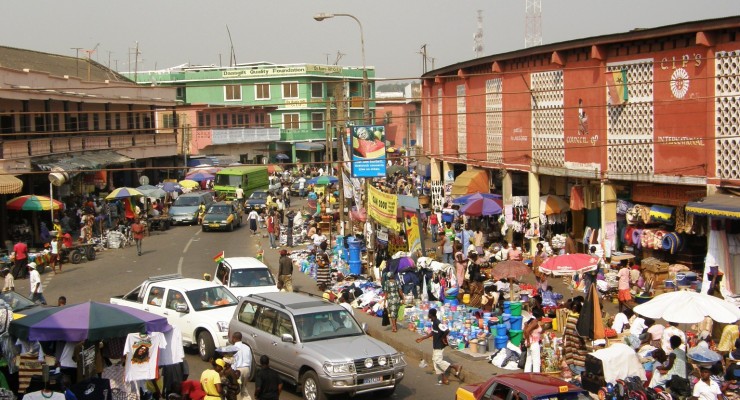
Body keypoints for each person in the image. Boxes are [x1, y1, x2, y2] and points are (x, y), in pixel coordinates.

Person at [415, 308, 463, 385]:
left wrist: (443, 338)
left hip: (439, 345)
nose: (428, 315)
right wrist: (422, 338)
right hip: (436, 345)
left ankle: (455, 367)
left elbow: (447, 330)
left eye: (429, 314)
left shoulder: (438, 323)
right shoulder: (434, 323)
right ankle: (444, 378)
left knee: (438, 361)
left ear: (431, 315)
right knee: (435, 362)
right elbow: (433, 332)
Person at [229, 332, 252, 400]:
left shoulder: (233, 348)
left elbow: (233, 361)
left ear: (234, 338)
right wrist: (249, 372)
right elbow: (250, 361)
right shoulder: (247, 347)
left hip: (238, 371)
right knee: (243, 388)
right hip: (247, 369)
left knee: (237, 389)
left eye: (232, 338)